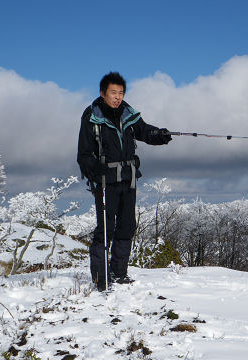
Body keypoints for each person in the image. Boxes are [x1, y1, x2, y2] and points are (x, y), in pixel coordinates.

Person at [77, 72, 171, 291]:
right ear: (102, 93)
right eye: (113, 92)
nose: (117, 97)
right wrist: (93, 169)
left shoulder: (129, 113)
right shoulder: (92, 117)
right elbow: (83, 154)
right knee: (106, 228)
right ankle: (101, 278)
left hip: (128, 180)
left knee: (127, 226)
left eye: (120, 92)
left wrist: (159, 135)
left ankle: (120, 273)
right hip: (105, 182)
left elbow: (145, 131)